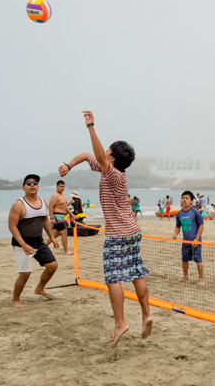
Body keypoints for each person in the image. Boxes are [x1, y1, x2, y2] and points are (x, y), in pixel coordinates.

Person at [58, 110, 152, 348]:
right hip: (133, 231)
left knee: (114, 278)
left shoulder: (115, 176)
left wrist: (91, 126)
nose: (104, 154)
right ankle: (146, 314)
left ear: (111, 159)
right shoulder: (108, 169)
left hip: (118, 235)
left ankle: (120, 323)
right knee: (136, 271)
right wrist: (69, 165)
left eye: (108, 152)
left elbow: (98, 155)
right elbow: (86, 155)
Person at [9, 174, 60, 308]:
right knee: (25, 273)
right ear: (23, 187)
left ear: (38, 186)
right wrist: (23, 244)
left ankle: (39, 289)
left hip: (39, 242)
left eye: (35, 183)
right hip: (22, 244)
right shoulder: (19, 204)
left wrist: (52, 237)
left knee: (52, 266)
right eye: (29, 183)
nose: (32, 185)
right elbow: (12, 226)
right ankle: (15, 300)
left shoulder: (43, 202)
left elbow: (45, 221)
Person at [173, 191, 205, 287]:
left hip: (195, 241)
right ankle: (185, 276)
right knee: (184, 259)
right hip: (185, 241)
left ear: (191, 201)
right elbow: (178, 226)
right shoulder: (179, 214)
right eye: (183, 198)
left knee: (198, 260)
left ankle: (201, 279)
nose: (184, 200)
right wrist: (175, 233)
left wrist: (196, 239)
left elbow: (201, 226)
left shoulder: (195, 212)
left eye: (187, 198)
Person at [46, 180, 76, 255]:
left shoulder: (64, 195)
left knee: (55, 234)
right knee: (64, 232)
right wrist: (52, 218)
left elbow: (65, 206)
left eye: (63, 187)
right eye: (60, 186)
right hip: (56, 216)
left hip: (62, 216)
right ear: (57, 187)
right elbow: (50, 206)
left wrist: (71, 214)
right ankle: (66, 251)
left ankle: (43, 247)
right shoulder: (55, 195)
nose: (62, 188)